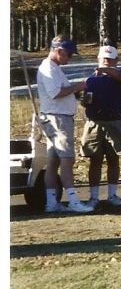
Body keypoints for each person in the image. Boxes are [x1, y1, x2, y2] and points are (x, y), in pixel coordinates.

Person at [36, 36, 93, 213]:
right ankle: (73, 200)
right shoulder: (49, 68)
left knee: (53, 160)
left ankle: (51, 202)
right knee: (67, 159)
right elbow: (55, 93)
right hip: (57, 118)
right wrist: (79, 86)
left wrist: (74, 93)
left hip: (54, 116)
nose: (69, 58)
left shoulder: (55, 68)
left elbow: (61, 91)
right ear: (59, 51)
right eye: (68, 54)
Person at [80, 44, 121, 208]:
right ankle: (94, 197)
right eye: (104, 58)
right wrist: (84, 101)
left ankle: (112, 195)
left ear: (116, 60)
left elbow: (118, 76)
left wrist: (104, 70)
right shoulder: (91, 80)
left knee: (114, 159)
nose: (106, 61)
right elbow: (86, 101)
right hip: (94, 123)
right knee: (95, 160)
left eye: (110, 59)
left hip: (115, 122)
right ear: (98, 59)